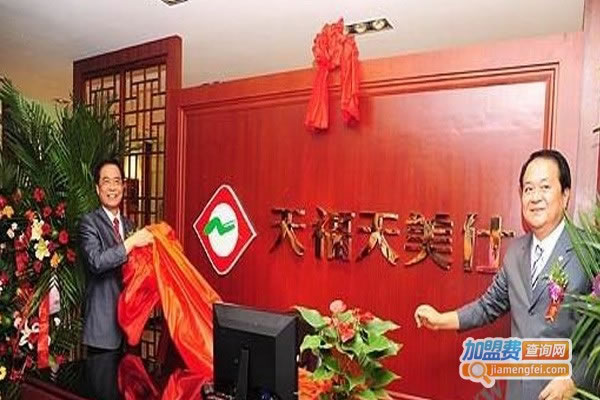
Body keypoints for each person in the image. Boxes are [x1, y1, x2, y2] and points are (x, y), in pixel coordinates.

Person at [414, 150, 592, 399]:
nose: (535, 197)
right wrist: (440, 320)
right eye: (528, 189)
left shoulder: (589, 253)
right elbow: (488, 306)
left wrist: (575, 379)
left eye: (545, 187)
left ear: (565, 195)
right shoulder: (516, 252)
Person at [80, 159, 154, 353]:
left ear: (123, 186)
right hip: (102, 331)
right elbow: (96, 262)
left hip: (130, 329)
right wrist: (131, 243)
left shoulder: (129, 225)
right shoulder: (89, 223)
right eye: (106, 182)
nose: (112, 187)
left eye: (117, 181)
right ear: (97, 189)